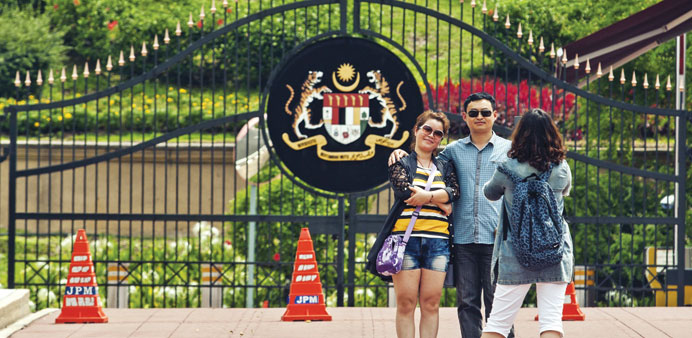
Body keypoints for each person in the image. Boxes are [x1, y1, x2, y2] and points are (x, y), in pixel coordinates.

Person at [389, 92, 513, 338]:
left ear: (495, 116)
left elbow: (520, 189)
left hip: (498, 238)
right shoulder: (452, 152)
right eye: (474, 113)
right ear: (465, 116)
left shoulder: (509, 151)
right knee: (467, 303)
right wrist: (398, 153)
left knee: (498, 303)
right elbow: (425, 159)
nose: (480, 117)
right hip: (463, 238)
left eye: (486, 112)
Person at [481, 108, 573, 338]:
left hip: (515, 252)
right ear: (552, 134)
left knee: (498, 324)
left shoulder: (508, 167)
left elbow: (490, 193)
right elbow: (566, 191)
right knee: (551, 321)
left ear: (520, 134)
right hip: (554, 251)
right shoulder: (561, 168)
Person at [367, 110, 460, 338]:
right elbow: (404, 191)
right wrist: (441, 202)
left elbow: (454, 191)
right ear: (416, 130)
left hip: (438, 242)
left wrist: (430, 198)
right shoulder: (401, 161)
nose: (431, 135)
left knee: (431, 304)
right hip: (405, 242)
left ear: (441, 138)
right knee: (406, 303)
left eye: (438, 133)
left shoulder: (445, 166)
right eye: (427, 129)